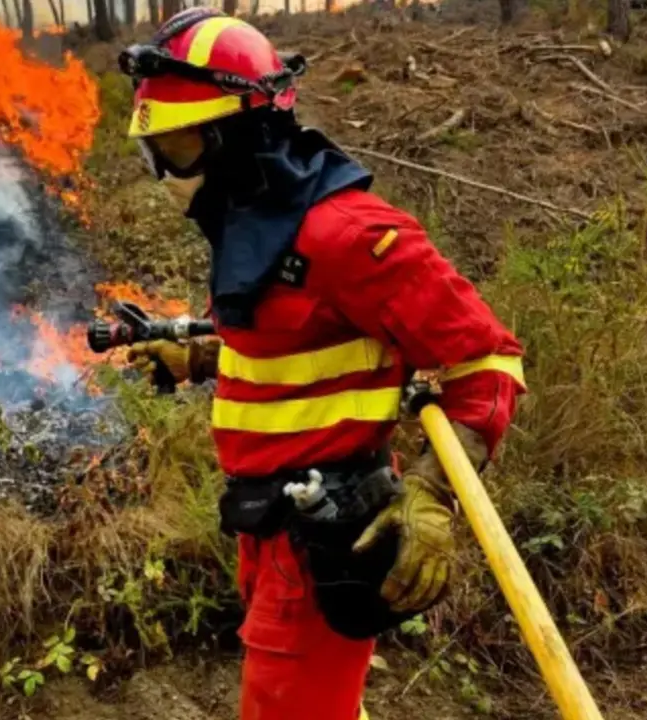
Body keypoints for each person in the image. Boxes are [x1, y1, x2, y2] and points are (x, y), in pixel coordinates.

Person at [117, 9, 526, 720]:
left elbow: (487, 361)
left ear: (239, 134)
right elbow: (296, 344)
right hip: (266, 529)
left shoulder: (349, 235)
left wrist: (432, 495)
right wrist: (201, 358)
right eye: (154, 152)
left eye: (176, 148)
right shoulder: (257, 222)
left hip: (322, 534)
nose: (164, 174)